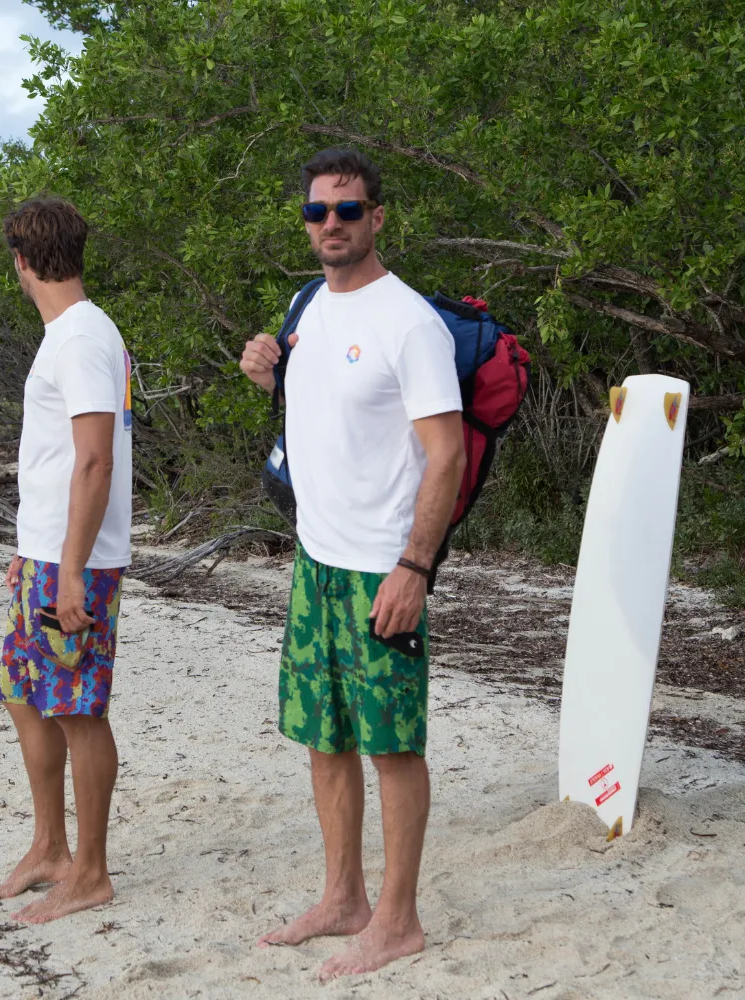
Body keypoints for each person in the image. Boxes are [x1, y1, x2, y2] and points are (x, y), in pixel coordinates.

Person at [239, 148, 467, 981]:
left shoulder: (410, 322)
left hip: (382, 566)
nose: (330, 224)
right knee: (322, 737)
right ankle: (344, 898)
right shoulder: (308, 305)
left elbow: (445, 455)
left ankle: (399, 920)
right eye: (316, 211)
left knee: (392, 745)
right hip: (317, 558)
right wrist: (263, 364)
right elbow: (317, 407)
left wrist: (416, 566)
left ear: (378, 218)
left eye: (347, 210)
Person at [0, 197, 133, 925]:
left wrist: (70, 569)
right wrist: (31, 554)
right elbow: (52, 461)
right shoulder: (68, 334)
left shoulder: (80, 338)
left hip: (77, 562)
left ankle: (91, 872)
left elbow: (94, 461)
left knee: (77, 709)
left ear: (20, 260)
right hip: (43, 553)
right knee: (22, 691)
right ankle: (49, 846)